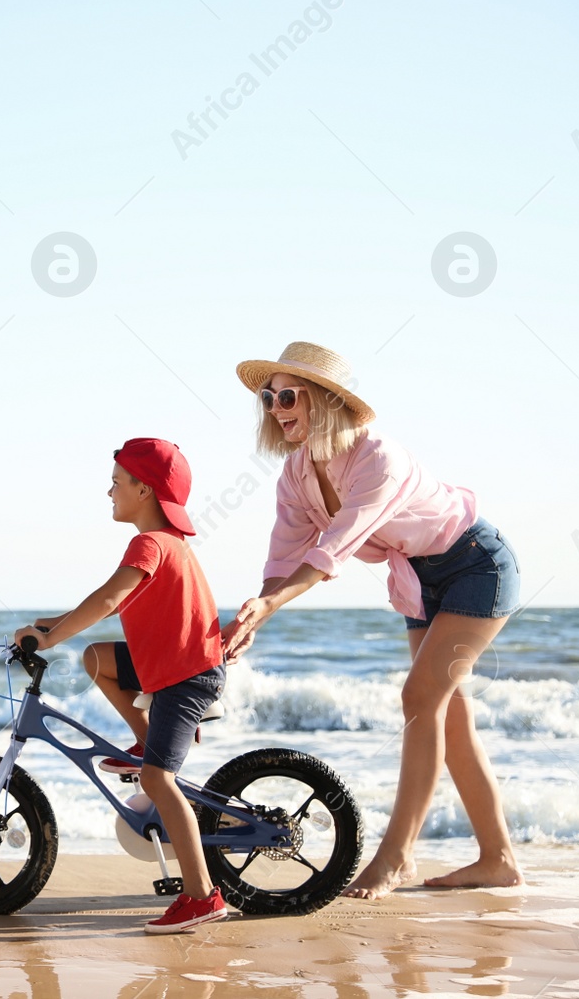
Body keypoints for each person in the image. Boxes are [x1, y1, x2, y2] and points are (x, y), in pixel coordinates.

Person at [220, 341, 523, 900]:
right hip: (421, 578)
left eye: (289, 395)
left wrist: (271, 603)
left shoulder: (378, 456)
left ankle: (397, 856)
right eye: (268, 397)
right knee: (446, 715)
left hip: (476, 565)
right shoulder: (295, 473)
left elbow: (334, 548)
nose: (275, 406)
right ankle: (497, 859)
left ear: (328, 401)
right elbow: (284, 557)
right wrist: (256, 614)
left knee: (420, 701)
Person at [15, 438, 229, 934]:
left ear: (144, 489)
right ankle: (144, 737)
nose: (108, 491)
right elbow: (107, 602)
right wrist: (54, 624)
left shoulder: (150, 543)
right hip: (174, 665)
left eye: (116, 483)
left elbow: (109, 598)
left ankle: (202, 896)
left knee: (157, 780)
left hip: (186, 677)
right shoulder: (165, 542)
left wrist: (48, 638)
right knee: (97, 658)